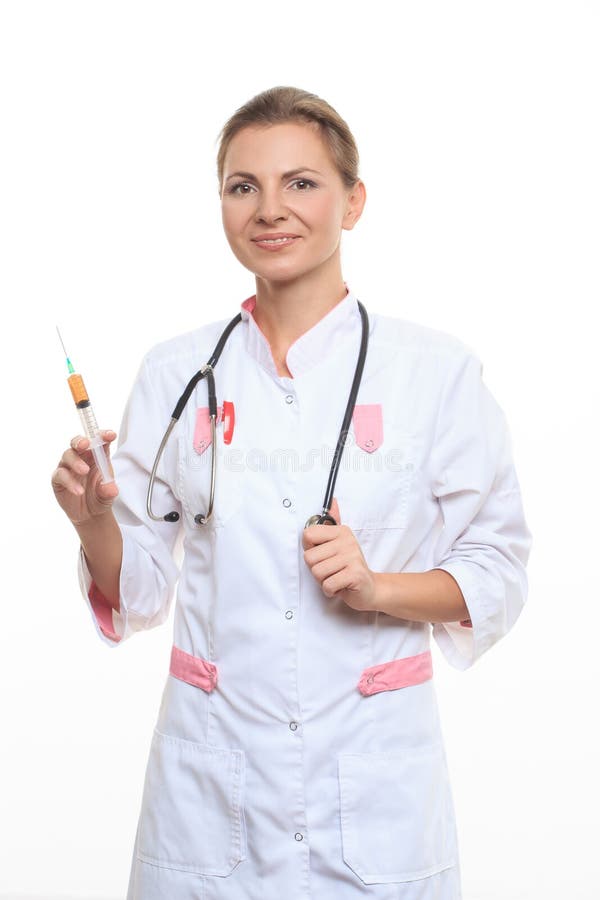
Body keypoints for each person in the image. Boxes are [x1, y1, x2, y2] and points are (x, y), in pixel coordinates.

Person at [51, 85, 532, 900]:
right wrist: (94, 523)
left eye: (301, 183)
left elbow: (499, 571)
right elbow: (137, 591)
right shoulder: (176, 374)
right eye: (244, 186)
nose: (270, 209)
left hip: (374, 795)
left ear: (354, 201)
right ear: (223, 204)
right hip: (210, 794)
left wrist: (378, 587)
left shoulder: (433, 372)